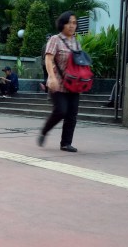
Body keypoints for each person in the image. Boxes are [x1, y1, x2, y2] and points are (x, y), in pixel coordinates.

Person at [38, 11, 82, 153]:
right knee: (61, 111)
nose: (72, 26)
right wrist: (51, 77)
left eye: (74, 23)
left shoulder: (76, 42)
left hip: (74, 84)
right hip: (57, 83)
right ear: (62, 23)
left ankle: (66, 143)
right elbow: (48, 59)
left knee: (72, 114)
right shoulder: (55, 40)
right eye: (69, 22)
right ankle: (45, 131)